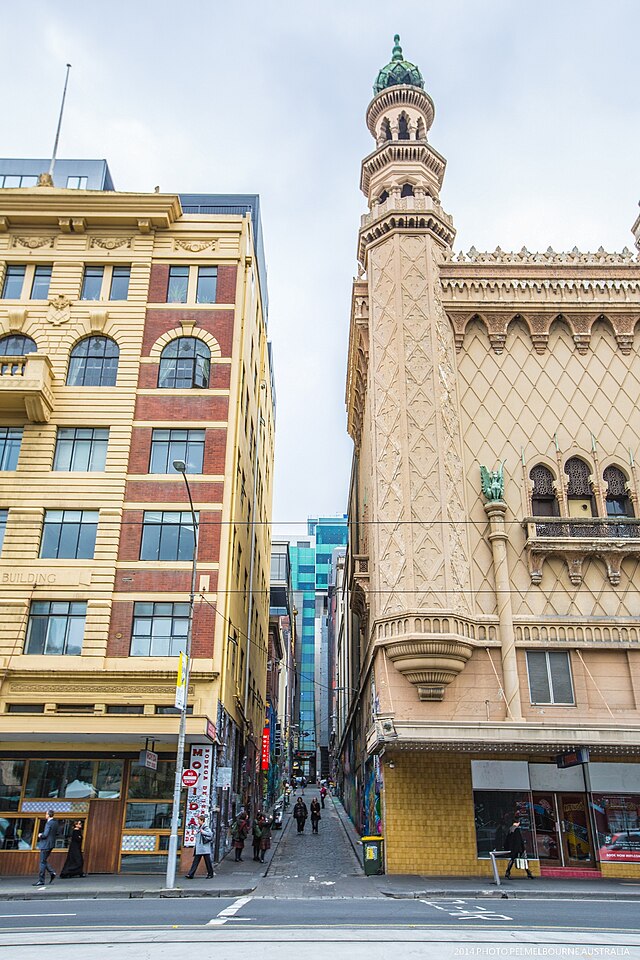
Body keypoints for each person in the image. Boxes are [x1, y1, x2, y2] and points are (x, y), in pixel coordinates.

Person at [34, 809, 59, 886]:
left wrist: (40, 835)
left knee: (42, 862)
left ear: (48, 815)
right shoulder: (55, 823)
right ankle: (52, 873)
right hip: (51, 844)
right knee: (44, 860)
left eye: (46, 814)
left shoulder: (48, 823)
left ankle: (41, 880)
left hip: (45, 845)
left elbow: (45, 835)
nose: (45, 815)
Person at [185, 814, 214, 879]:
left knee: (207, 862)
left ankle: (210, 874)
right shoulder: (200, 827)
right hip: (200, 848)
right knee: (196, 862)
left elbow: (210, 834)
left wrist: (202, 832)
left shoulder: (205, 827)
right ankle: (191, 874)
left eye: (199, 820)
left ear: (202, 820)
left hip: (204, 848)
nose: (198, 821)